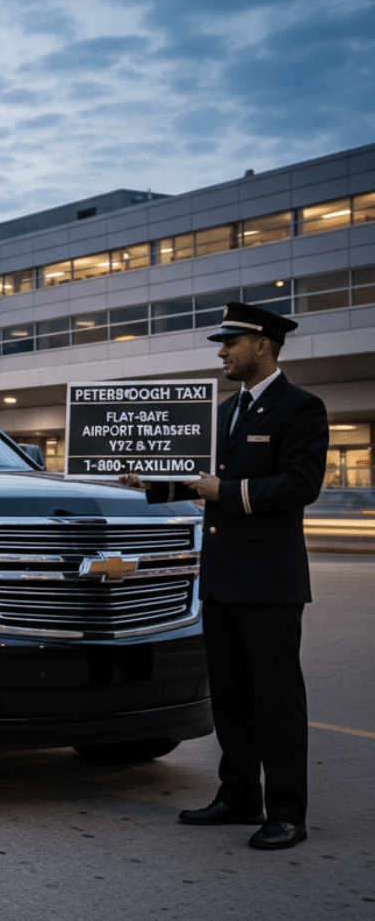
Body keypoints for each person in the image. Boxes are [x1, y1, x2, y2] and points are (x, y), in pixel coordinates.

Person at [119, 301, 327, 850]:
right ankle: (238, 797)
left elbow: (301, 485)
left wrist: (228, 493)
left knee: (277, 699)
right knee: (231, 697)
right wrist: (147, 485)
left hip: (269, 583)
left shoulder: (301, 408)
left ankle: (287, 812)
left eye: (230, 343)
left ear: (262, 344)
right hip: (222, 578)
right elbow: (195, 480)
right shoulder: (224, 413)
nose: (222, 352)